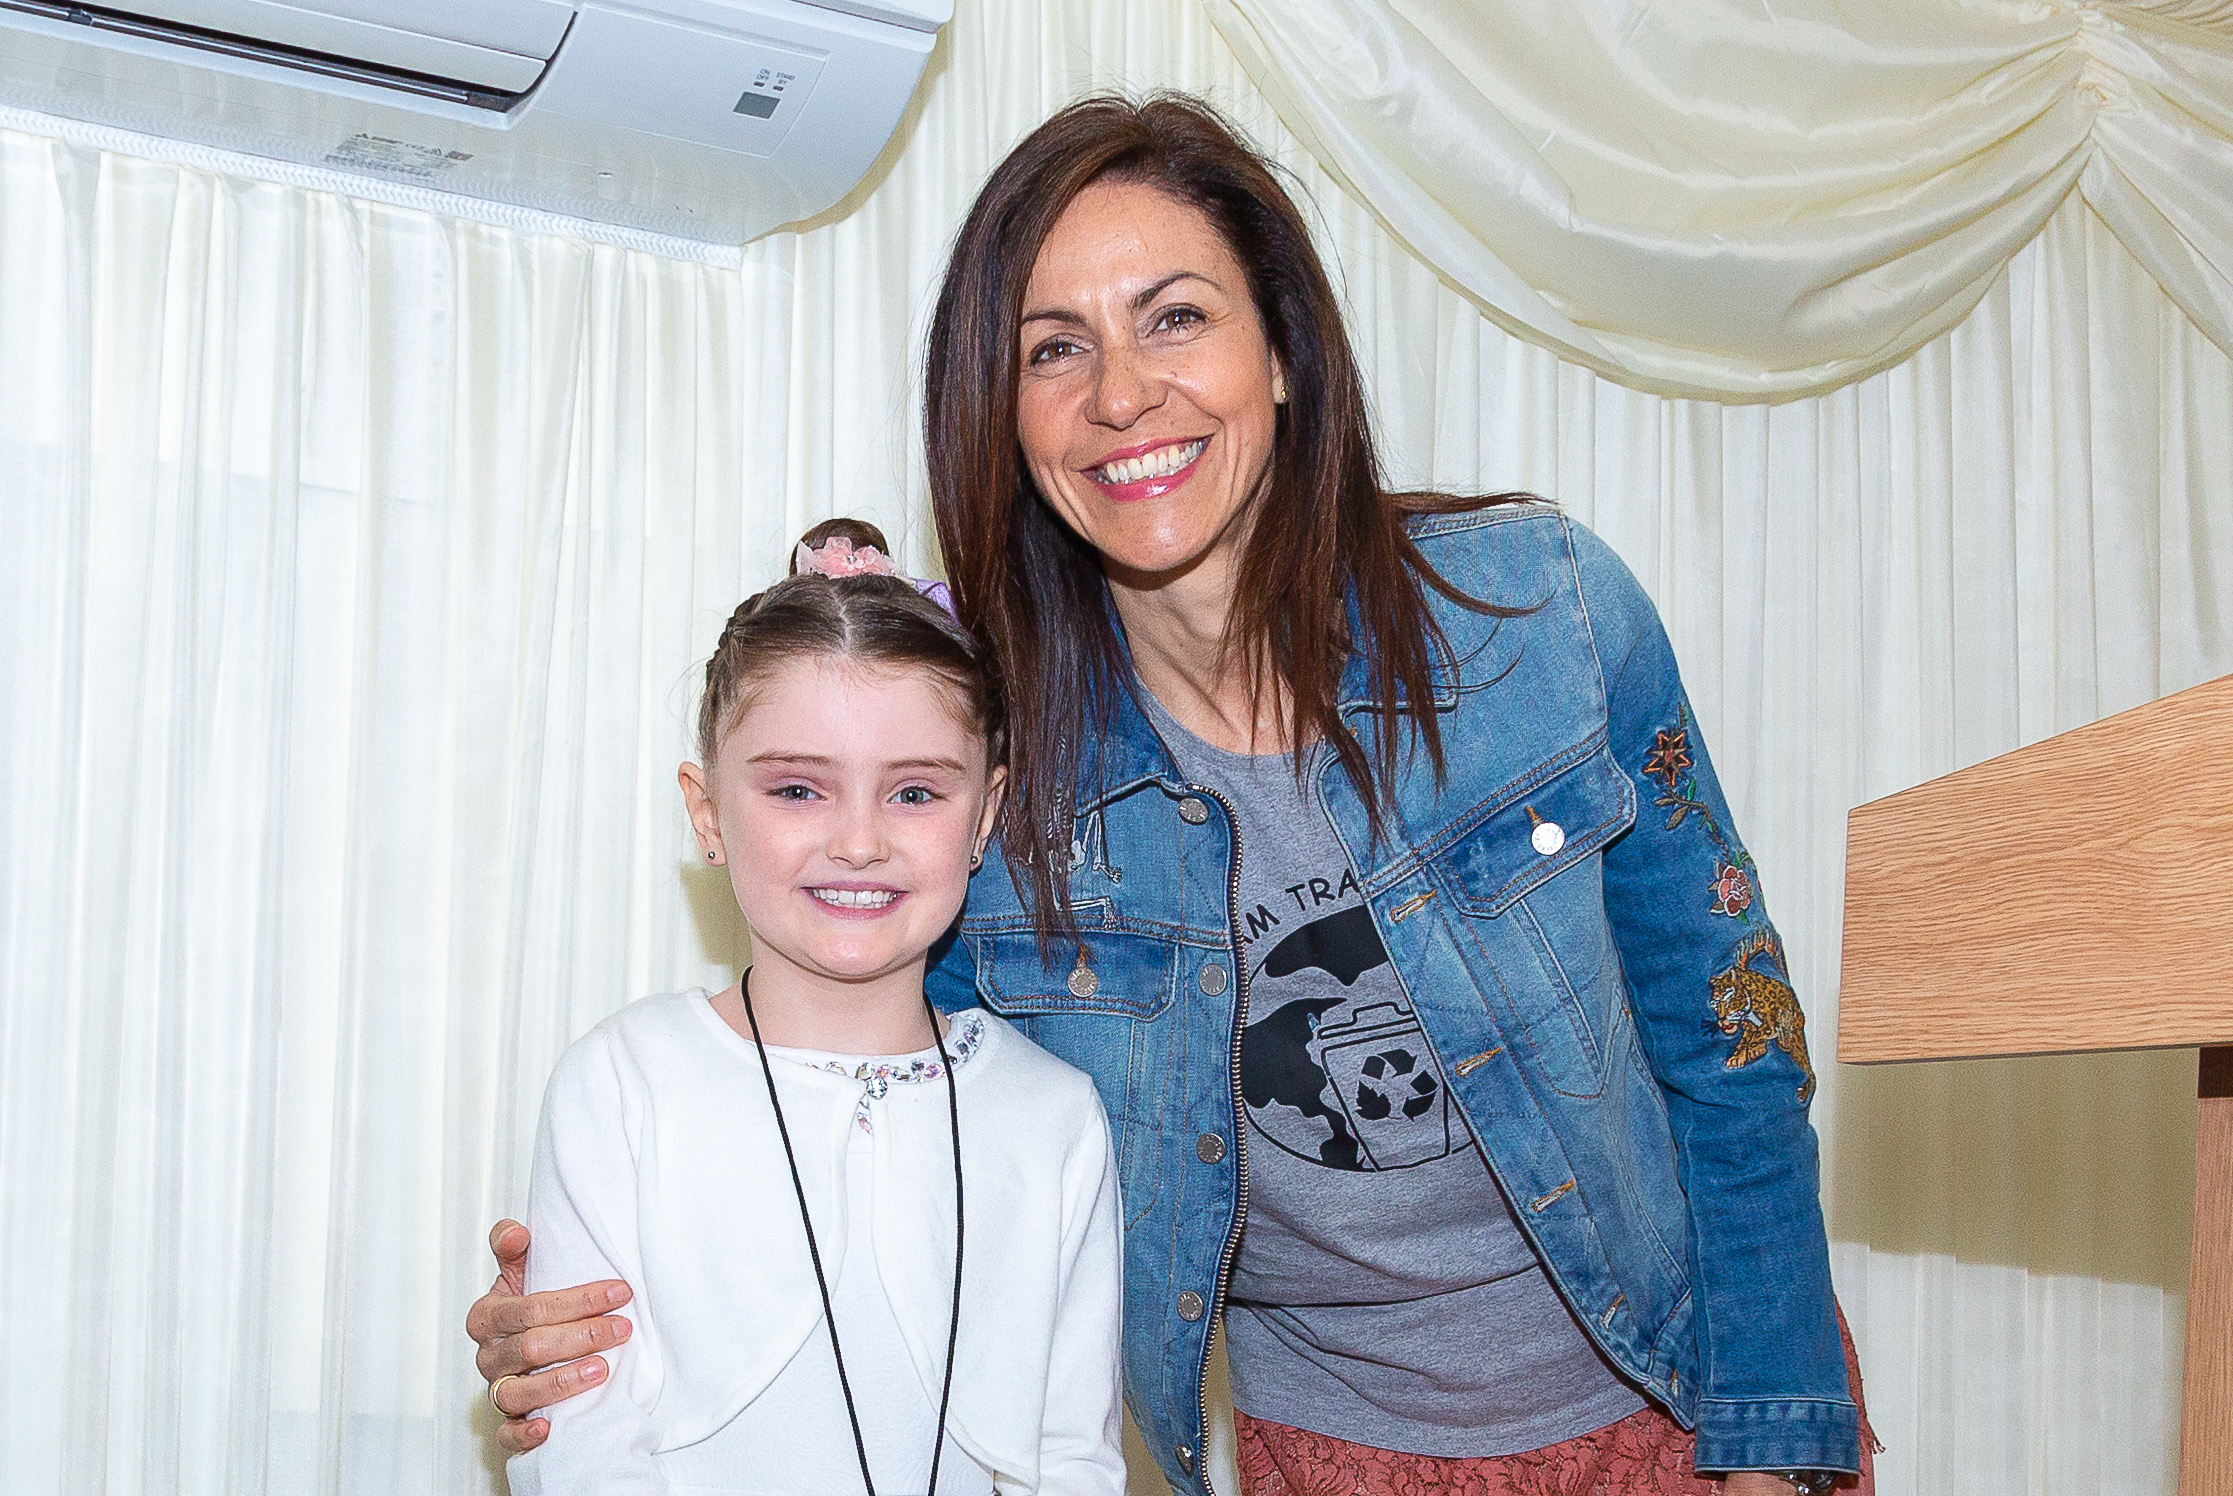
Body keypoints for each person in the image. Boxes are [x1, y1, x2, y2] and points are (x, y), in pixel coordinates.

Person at [472, 94, 1871, 1496]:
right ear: (1005, 415)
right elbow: (876, 1117)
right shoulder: (1003, 790)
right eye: (1054, 349)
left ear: (1282, 355)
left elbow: (1734, 1044)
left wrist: (1763, 1450)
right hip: (1328, 1457)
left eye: (1177, 318)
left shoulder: (1542, 615)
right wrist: (596, 1322)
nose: (1122, 393)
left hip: (1692, 1403)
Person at [502, 555, 1127, 1495]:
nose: (859, 840)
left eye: (914, 792)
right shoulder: (626, 1081)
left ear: (986, 814)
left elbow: (1072, 1453)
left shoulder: (1054, 1115)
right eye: (798, 789)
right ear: (706, 812)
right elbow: (583, 1441)